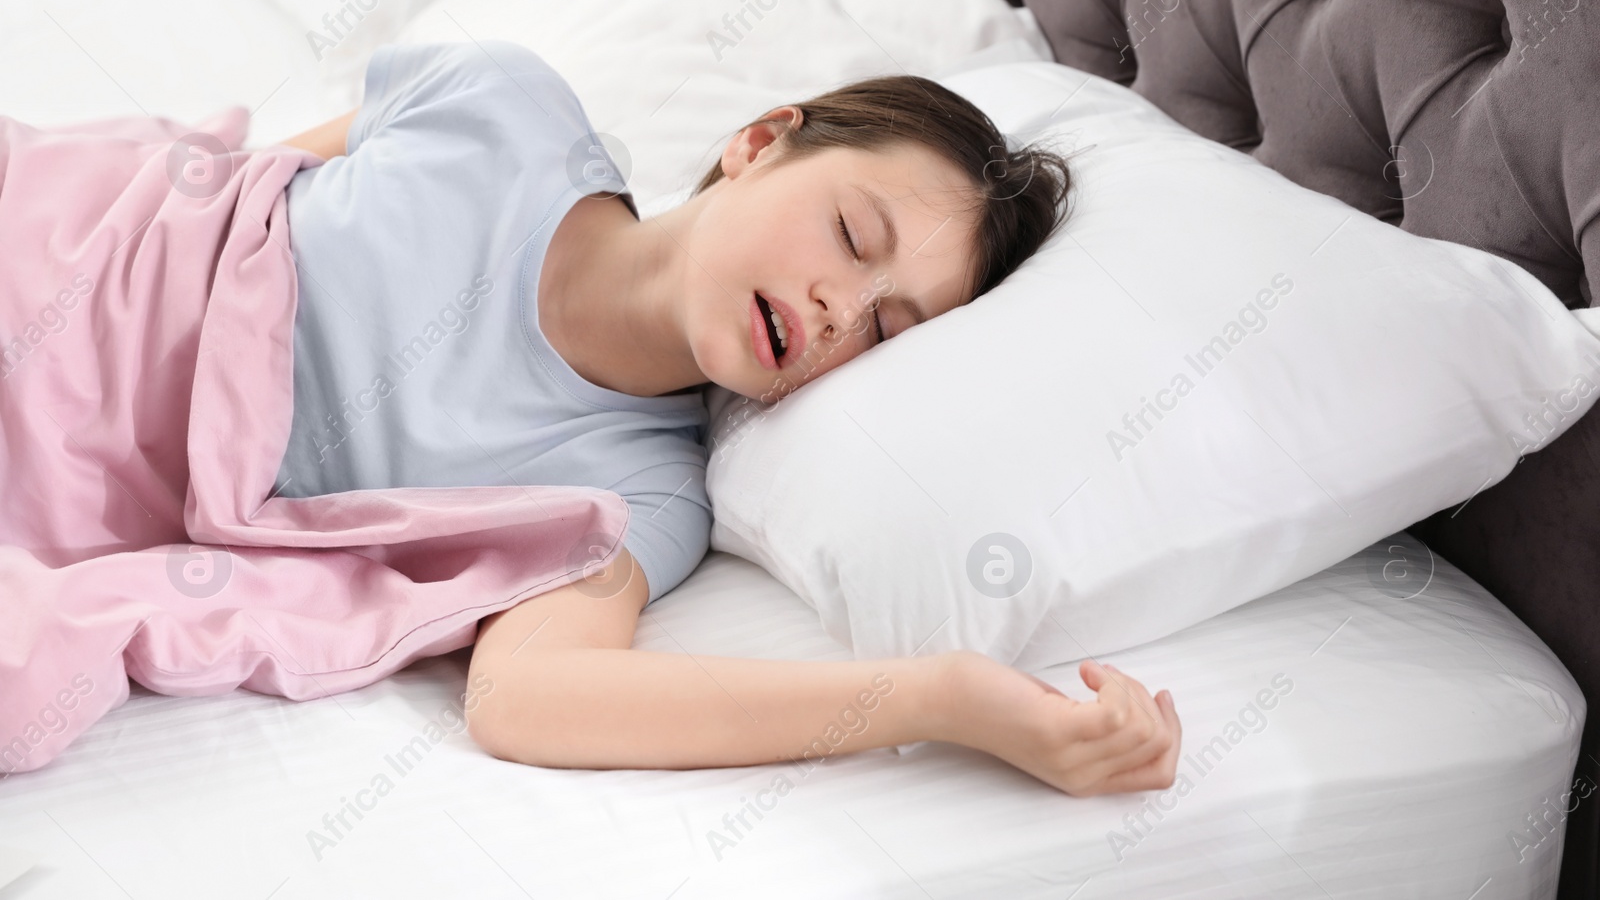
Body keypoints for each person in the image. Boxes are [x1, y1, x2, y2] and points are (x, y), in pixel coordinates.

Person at [277, 40, 1181, 798]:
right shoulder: (501, 104)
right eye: (855, 236)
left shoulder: (640, 492)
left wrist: (942, 696)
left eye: (886, 324)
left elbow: (523, 694)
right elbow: (234, 193)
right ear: (759, 143)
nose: (841, 311)